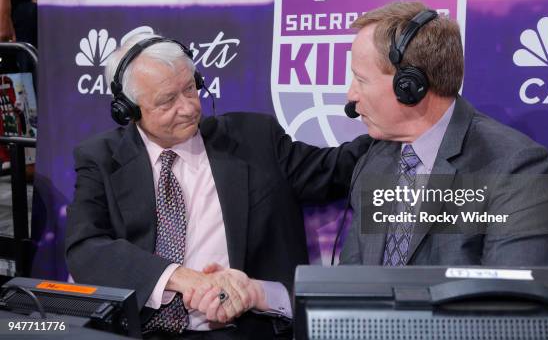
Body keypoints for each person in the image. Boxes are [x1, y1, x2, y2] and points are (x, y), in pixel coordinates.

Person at [65, 33, 370, 339]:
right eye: (167, 101)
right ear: (128, 111)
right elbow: (85, 248)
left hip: (239, 331)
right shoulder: (100, 158)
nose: (188, 108)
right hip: (141, 331)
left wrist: (402, 119)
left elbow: (334, 169)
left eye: (190, 88)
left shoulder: (254, 139)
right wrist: (181, 278)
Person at [340, 0, 548, 267]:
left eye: (361, 80)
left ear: (410, 86)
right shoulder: (374, 160)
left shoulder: (515, 166)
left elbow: (510, 299)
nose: (351, 95)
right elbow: (349, 281)